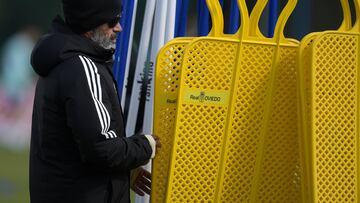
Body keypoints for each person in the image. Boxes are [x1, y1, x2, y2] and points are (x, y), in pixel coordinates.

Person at [29, 0, 160, 202]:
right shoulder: (81, 67)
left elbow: (79, 147)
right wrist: (147, 145)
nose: (119, 27)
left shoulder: (64, 61)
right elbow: (103, 149)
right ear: (90, 25)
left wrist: (123, 171)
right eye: (112, 20)